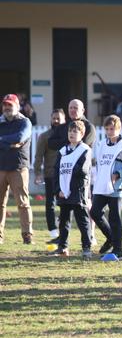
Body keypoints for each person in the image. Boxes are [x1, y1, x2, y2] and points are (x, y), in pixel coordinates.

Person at [91, 115, 122, 260]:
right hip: (102, 186)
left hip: (116, 188)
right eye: (107, 129)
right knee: (95, 212)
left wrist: (118, 174)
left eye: (112, 129)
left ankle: (119, 251)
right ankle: (111, 238)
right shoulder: (102, 144)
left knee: (114, 218)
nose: (110, 132)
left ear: (118, 129)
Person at [50, 121, 93, 258]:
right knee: (64, 221)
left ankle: (86, 248)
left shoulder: (85, 150)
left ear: (82, 134)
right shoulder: (62, 151)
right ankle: (62, 247)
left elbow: (83, 170)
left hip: (78, 192)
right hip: (63, 193)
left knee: (83, 221)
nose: (72, 134)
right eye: (70, 131)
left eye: (75, 131)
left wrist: (70, 187)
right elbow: (56, 171)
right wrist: (58, 190)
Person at [0, 94, 33, 245]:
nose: (7, 108)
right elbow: (14, 141)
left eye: (10, 105)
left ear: (17, 106)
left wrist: (2, 141)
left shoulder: (25, 122)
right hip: (1, 168)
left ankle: (27, 236)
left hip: (18, 168)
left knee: (23, 203)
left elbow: (20, 137)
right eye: (5, 105)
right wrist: (9, 144)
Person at [34, 109, 66, 240]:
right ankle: (53, 229)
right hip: (50, 174)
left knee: (67, 203)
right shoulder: (44, 136)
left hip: (66, 175)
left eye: (59, 118)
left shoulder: (69, 135)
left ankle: (62, 223)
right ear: (51, 119)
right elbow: (38, 156)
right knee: (50, 203)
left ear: (64, 120)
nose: (56, 121)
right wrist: (37, 173)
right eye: (54, 118)